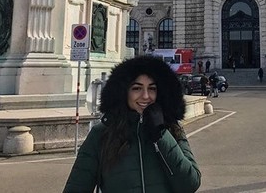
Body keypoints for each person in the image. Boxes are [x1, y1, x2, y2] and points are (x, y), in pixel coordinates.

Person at [63, 56, 201, 193]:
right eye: (137, 88)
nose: (146, 96)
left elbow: (190, 184)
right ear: (124, 92)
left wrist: (161, 135)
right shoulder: (102, 134)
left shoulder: (171, 129)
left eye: (152, 89)